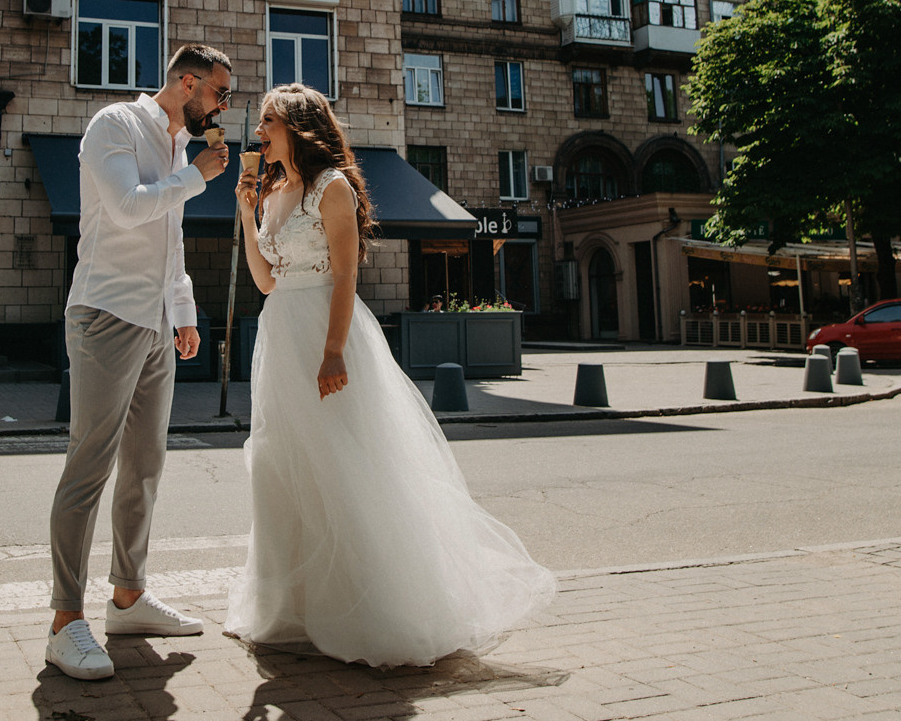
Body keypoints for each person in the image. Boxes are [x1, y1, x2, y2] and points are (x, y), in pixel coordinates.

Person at [226, 84, 555, 667]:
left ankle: (367, 607)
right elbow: (266, 281)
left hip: (325, 332)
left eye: (267, 122)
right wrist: (246, 213)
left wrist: (333, 350)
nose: (258, 134)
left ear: (297, 127)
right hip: (280, 337)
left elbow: (346, 275)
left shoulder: (333, 187)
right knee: (282, 465)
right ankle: (291, 609)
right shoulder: (273, 193)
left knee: (342, 466)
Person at [44, 43, 235, 681]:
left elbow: (169, 240)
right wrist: (196, 177)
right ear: (188, 83)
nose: (223, 108)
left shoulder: (179, 149)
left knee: (145, 465)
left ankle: (128, 598)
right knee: (89, 466)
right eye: (220, 94)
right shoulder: (115, 124)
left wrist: (184, 311)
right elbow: (128, 209)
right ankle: (64, 621)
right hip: (105, 313)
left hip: (155, 320)